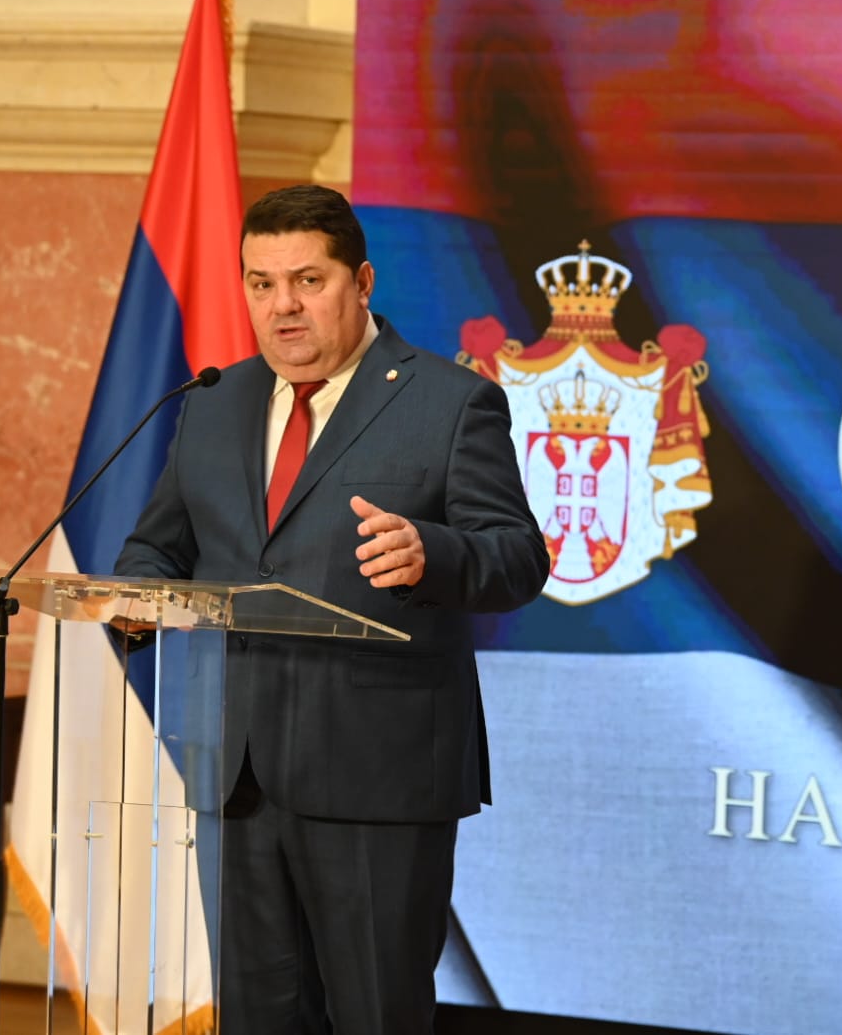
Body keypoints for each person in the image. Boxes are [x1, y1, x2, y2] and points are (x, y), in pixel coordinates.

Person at [115, 184, 551, 1033]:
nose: (282, 306)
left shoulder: (448, 402)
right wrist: (133, 602)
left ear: (362, 282)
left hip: (377, 774)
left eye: (307, 281)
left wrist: (433, 553)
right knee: (256, 1018)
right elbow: (156, 549)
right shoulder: (212, 402)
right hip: (235, 773)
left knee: (374, 1015)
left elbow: (517, 557)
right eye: (261, 283)